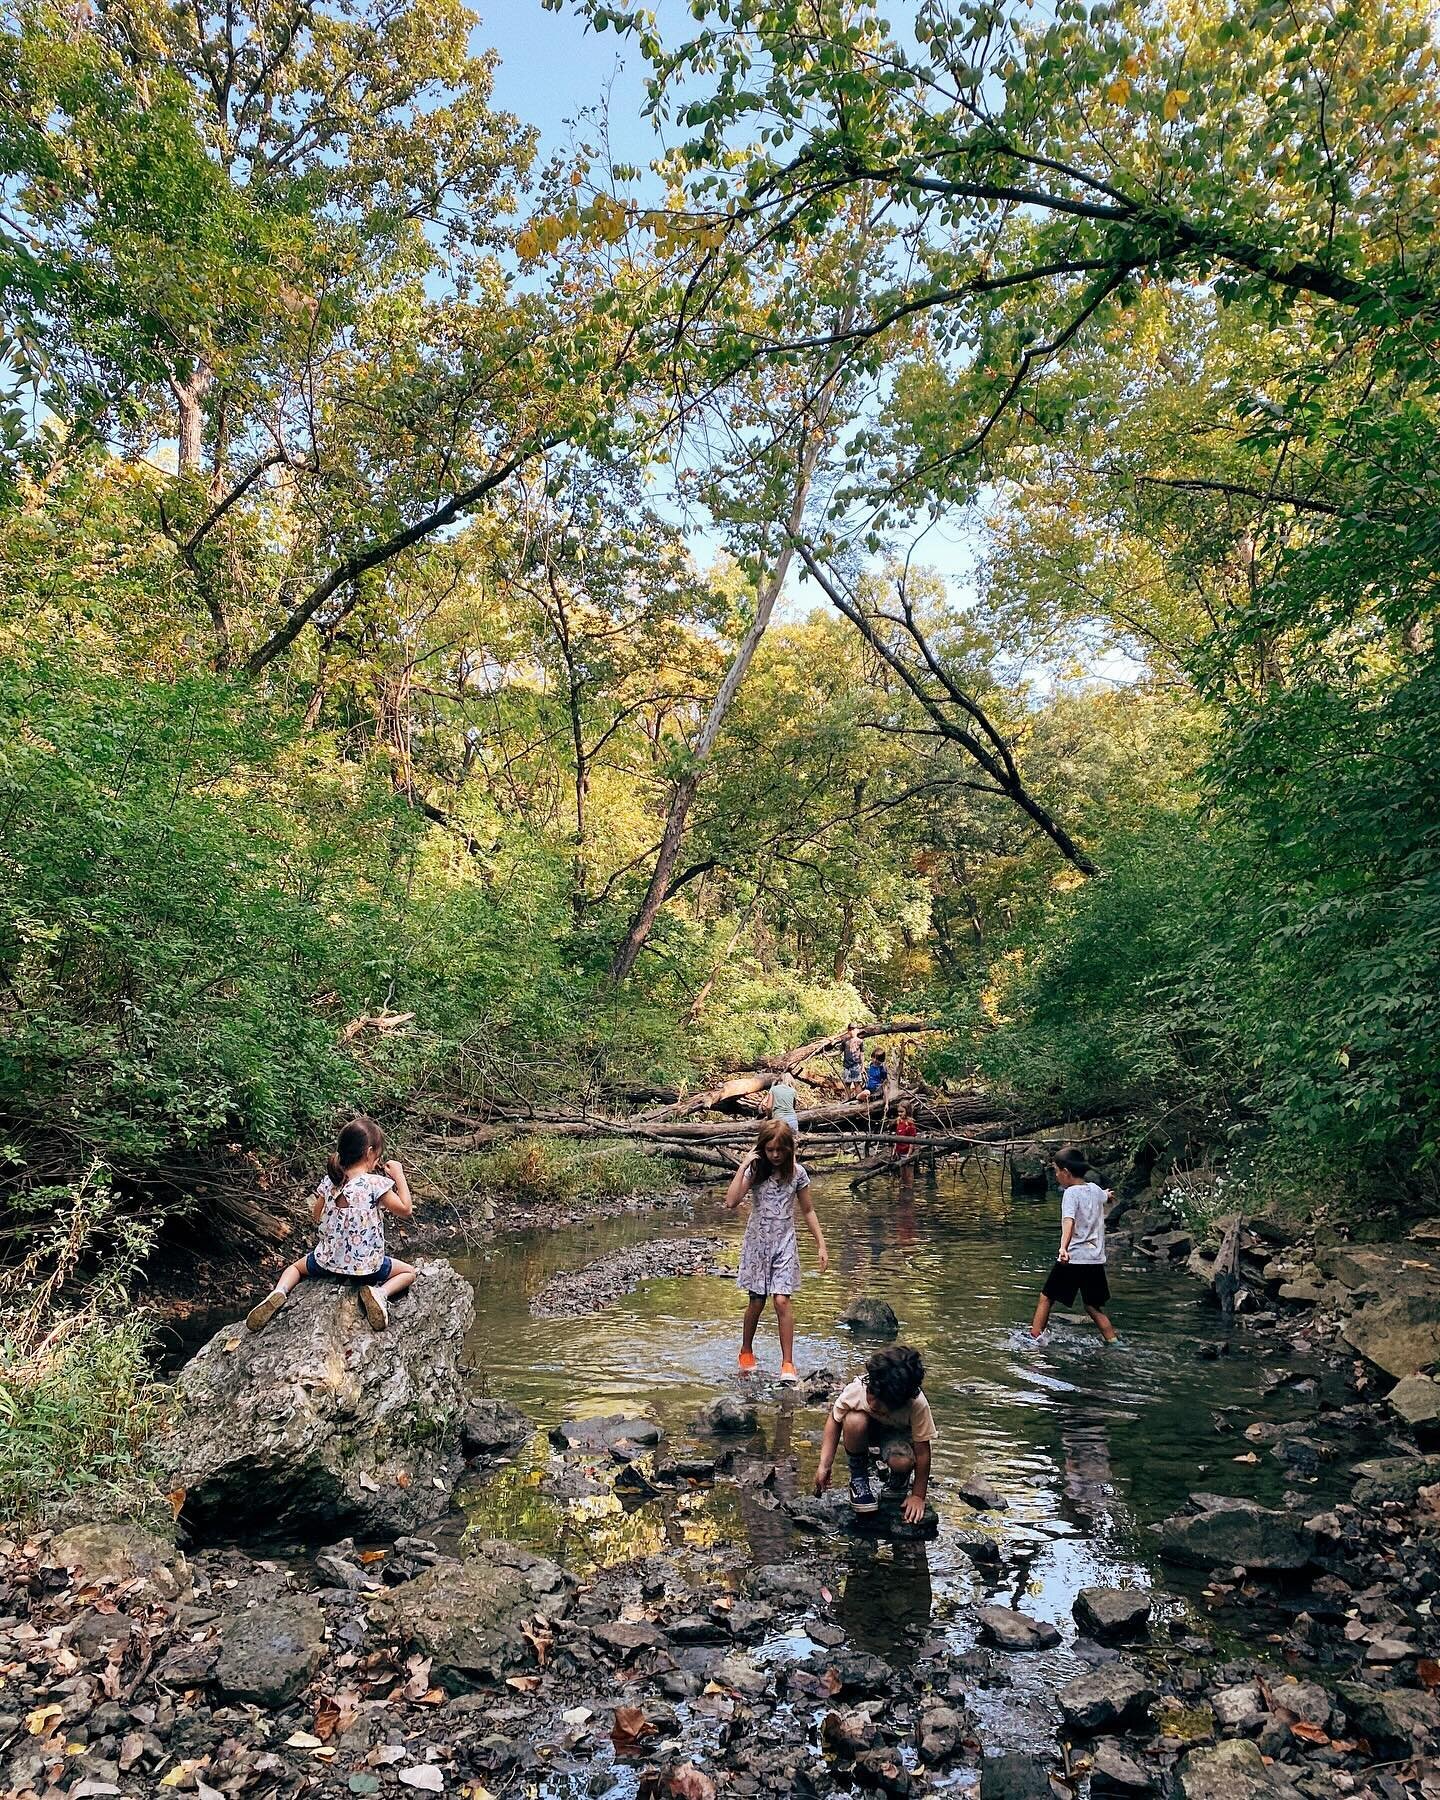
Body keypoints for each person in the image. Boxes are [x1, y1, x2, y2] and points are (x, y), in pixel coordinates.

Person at [245, 1117, 418, 1333]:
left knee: (295, 1268)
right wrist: (399, 1175)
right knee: (409, 1272)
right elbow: (405, 1209)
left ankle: (279, 1292)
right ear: (369, 1152)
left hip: (327, 1262)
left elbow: (316, 1215)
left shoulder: (331, 1181)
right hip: (366, 1268)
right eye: (378, 1155)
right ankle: (380, 1294)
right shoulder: (375, 1184)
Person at [725, 1119, 828, 1382]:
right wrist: (744, 1164)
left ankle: (788, 1364)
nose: (775, 1155)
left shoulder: (798, 1174)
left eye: (779, 1150)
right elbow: (731, 1201)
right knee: (757, 1301)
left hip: (784, 1243)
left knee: (782, 1300)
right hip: (758, 1243)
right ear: (763, 1148)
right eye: (770, 1150)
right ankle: (746, 1349)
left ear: (788, 1149)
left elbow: (808, 1210)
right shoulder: (757, 1170)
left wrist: (821, 1244)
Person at [815, 1344, 936, 1521]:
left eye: (881, 1402)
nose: (872, 1404)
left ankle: (898, 1481)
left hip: (898, 1437)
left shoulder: (917, 1404)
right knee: (854, 1420)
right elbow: (834, 1419)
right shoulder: (858, 1389)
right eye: (871, 1394)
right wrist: (824, 1465)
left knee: (902, 1461)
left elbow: (923, 1452)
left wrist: (918, 1496)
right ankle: (859, 1479)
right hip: (866, 1432)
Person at [1029, 1146, 1118, 1343]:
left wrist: (1063, 1248)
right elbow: (1105, 1195)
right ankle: (1115, 1343)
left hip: (1074, 1258)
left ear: (1066, 1173)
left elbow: (1069, 1221)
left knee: (1046, 1298)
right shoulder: (1094, 1190)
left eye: (1056, 1170)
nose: (1055, 1175)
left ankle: (1033, 1340)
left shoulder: (1070, 1194)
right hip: (1094, 1261)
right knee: (1093, 1306)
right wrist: (1109, 1196)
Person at [893, 1101, 918, 1177]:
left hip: (907, 1153)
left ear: (907, 1111)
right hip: (899, 1151)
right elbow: (897, 1137)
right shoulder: (898, 1122)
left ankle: (908, 1188)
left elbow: (912, 1140)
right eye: (898, 1112)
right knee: (902, 1175)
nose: (900, 1114)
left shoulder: (910, 1124)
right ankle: (903, 1187)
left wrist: (909, 1154)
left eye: (902, 1112)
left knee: (908, 1175)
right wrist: (894, 1150)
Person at [840, 1024, 865, 1098]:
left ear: (857, 1030)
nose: (852, 1031)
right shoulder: (845, 1041)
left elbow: (862, 1054)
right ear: (848, 1031)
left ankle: (860, 1099)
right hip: (847, 1066)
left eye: (853, 1029)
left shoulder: (860, 1041)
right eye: (850, 1030)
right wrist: (828, 1055)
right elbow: (839, 1051)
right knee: (847, 1084)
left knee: (857, 1083)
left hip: (856, 1065)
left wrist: (862, 1067)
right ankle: (847, 1100)